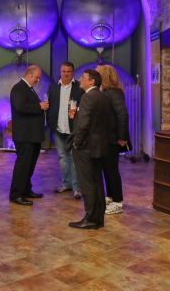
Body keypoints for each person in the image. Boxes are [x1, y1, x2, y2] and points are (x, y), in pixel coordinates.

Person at [69, 69, 112, 229]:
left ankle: (90, 218)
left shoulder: (87, 97)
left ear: (92, 81)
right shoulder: (103, 96)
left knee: (87, 184)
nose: (81, 79)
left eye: (84, 77)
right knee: (97, 183)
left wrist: (76, 143)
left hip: (86, 148)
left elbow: (83, 124)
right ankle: (98, 218)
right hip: (99, 147)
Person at [9, 65, 50, 206]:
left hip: (32, 135)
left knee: (29, 165)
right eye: (36, 78)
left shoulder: (28, 88)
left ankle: (26, 190)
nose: (38, 80)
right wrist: (39, 106)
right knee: (23, 166)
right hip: (25, 135)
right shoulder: (19, 88)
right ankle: (16, 194)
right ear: (29, 75)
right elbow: (20, 107)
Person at [47, 62, 84, 199]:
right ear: (60, 71)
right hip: (58, 129)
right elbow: (49, 106)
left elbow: (84, 108)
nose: (66, 74)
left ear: (72, 72)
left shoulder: (79, 88)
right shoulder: (53, 87)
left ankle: (77, 188)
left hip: (73, 130)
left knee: (74, 159)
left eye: (69, 71)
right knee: (63, 158)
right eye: (64, 71)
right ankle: (66, 184)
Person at [96, 64, 129, 215]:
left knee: (112, 170)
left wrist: (122, 137)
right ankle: (110, 196)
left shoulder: (114, 92)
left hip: (113, 138)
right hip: (105, 138)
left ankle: (118, 202)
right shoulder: (106, 92)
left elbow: (122, 115)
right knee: (107, 169)